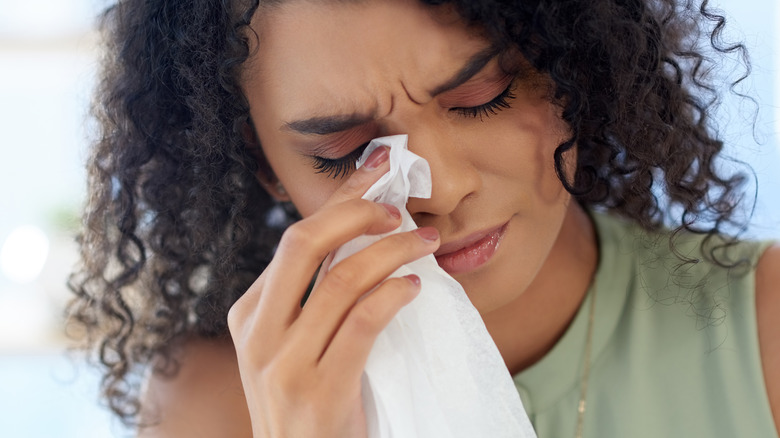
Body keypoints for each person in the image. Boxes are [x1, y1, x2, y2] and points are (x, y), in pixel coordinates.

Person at [67, 0, 779, 436]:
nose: (439, 187)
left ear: (573, 65)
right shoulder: (215, 403)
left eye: (483, 97)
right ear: (264, 166)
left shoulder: (764, 330)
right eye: (345, 150)